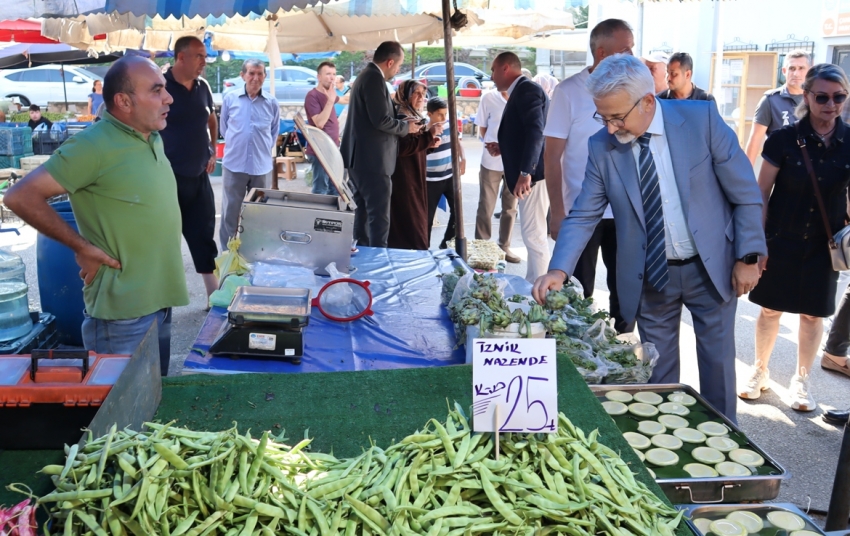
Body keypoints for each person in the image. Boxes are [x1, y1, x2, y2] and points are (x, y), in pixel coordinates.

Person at [533, 54, 766, 422]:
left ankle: (726, 458)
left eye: (616, 117)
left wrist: (748, 256)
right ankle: (664, 447)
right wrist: (558, 270)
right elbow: (584, 214)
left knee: (718, 366)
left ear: (647, 101)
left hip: (713, 268)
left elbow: (745, 192)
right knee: (657, 374)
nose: (610, 128)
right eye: (603, 117)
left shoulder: (700, 121)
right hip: (652, 275)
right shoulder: (601, 147)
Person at [3, 56, 189, 377]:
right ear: (124, 101)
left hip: (160, 299)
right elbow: (20, 196)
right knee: (121, 417)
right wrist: (81, 247)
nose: (168, 98)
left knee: (157, 401)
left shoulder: (150, 136)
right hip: (122, 314)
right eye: (157, 90)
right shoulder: (93, 146)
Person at [740, 64, 850, 412]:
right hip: (781, 239)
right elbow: (761, 193)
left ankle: (801, 382)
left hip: (824, 245)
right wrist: (757, 245)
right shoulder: (784, 139)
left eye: (839, 97)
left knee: (812, 316)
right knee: (770, 310)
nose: (830, 104)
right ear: (807, 96)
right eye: (822, 97)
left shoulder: (849, 143)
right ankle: (759, 372)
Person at [543, 18, 635, 334]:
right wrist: (557, 212)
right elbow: (552, 157)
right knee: (576, 290)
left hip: (624, 212)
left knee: (626, 288)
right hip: (580, 212)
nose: (632, 57)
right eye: (625, 50)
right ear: (601, 52)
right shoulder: (569, 92)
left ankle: (622, 349)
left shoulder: (635, 92)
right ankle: (576, 351)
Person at [340, 41, 420, 248]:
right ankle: (378, 260)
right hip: (372, 160)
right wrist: (406, 127)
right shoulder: (373, 78)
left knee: (364, 213)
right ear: (390, 61)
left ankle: (364, 253)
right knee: (379, 217)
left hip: (362, 158)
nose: (398, 70)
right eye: (398, 65)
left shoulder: (367, 76)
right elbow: (380, 120)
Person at [160, 36, 219, 300]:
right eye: (199, 56)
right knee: (166, 236)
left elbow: (211, 119)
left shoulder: (203, 86)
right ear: (181, 57)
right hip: (167, 176)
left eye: (205, 57)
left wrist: (213, 149)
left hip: (199, 174)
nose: (204, 62)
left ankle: (212, 294)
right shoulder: (160, 87)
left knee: (204, 231)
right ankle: (162, 297)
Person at [486, 52, 550, 283]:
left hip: (533, 176)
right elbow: (523, 133)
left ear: (505, 68)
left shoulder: (526, 90)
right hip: (531, 173)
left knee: (534, 236)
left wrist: (526, 172)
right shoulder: (522, 91)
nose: (491, 76)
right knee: (533, 235)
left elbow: (536, 132)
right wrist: (504, 147)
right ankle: (536, 284)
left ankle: (539, 289)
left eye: (493, 70)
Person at [218, 59, 280, 251]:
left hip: (260, 168)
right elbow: (224, 128)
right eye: (251, 73)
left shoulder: (271, 103)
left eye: (260, 73)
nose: (255, 78)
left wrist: (260, 151)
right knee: (230, 212)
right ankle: (228, 256)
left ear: (265, 76)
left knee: (258, 214)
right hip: (234, 165)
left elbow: (273, 133)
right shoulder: (230, 99)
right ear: (242, 75)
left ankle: (253, 253)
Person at [387, 81, 442, 250]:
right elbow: (403, 148)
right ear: (404, 95)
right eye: (415, 93)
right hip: (405, 179)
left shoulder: (414, 116)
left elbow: (416, 148)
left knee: (415, 221)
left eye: (423, 94)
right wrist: (428, 136)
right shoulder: (402, 118)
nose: (420, 97)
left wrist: (429, 144)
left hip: (414, 177)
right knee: (412, 224)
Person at [474, 89, 519, 262]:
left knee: (510, 207)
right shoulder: (489, 97)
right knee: (486, 205)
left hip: (514, 163)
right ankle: (482, 247)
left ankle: (504, 247)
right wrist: (495, 147)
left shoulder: (522, 96)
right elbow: (483, 129)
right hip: (491, 162)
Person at [745, 50, 812, 166]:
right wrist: (745, 176)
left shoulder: (817, 99)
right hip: (779, 170)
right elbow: (755, 139)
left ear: (810, 70)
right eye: (792, 68)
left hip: (811, 169)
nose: (796, 73)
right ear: (784, 71)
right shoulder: (770, 101)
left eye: (801, 68)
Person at [425, 97, 465, 248]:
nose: (443, 118)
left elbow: (458, 141)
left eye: (445, 114)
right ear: (429, 114)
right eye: (439, 115)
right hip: (430, 180)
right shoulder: (423, 128)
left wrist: (464, 159)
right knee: (426, 218)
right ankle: (425, 249)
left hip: (450, 176)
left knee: (458, 214)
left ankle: (445, 245)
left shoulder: (449, 125)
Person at [305, 62, 342, 197]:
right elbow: (319, 123)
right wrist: (330, 101)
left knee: (335, 188)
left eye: (334, 74)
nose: (332, 78)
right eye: (328, 74)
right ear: (319, 77)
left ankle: (333, 218)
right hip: (320, 149)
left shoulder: (330, 94)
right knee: (320, 189)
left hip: (332, 147)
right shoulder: (312, 96)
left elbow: (343, 99)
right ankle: (316, 217)